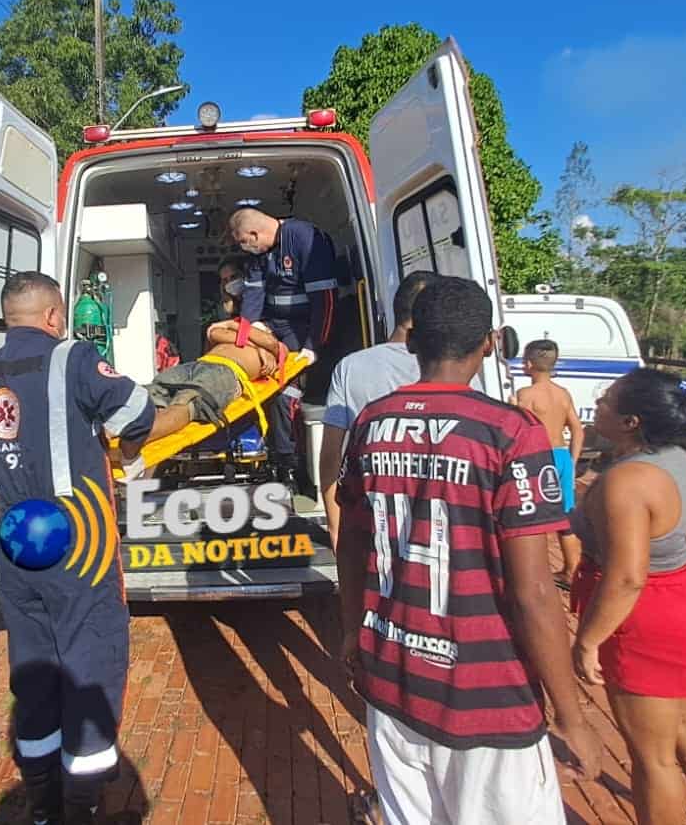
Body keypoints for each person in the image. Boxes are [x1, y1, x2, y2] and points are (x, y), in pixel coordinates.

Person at [335, 276, 601, 824]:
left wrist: (349, 631)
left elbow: (351, 541)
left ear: (411, 341)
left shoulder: (372, 421)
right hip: (486, 695)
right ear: (490, 342)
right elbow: (531, 593)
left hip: (392, 677)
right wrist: (572, 715)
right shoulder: (510, 432)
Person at [0, 272, 163, 825]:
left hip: (14, 545)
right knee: (91, 666)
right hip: (78, 546)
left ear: (10, 318)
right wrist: (126, 454)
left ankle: (41, 807)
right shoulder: (73, 358)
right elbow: (136, 413)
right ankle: (83, 807)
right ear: (54, 316)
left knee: (33, 671)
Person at [570, 369, 686, 825]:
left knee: (652, 757)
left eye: (607, 400)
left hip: (647, 623)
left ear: (631, 421)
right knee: (682, 720)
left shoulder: (628, 482)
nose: (598, 403)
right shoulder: (680, 461)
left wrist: (587, 641)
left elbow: (627, 577)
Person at [318, 271, 438, 550]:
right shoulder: (457, 370)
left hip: (372, 519)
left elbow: (330, 455)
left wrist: (335, 526)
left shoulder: (350, 367)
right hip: (438, 521)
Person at [225, 207, 340, 482]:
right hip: (275, 327)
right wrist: (248, 331)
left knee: (285, 396)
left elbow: (325, 300)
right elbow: (253, 295)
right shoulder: (259, 255)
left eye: (244, 242)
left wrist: (314, 345)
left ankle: (289, 462)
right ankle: (271, 452)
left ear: (254, 234)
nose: (246, 249)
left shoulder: (303, 238)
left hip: (303, 330)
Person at [512, 339, 586, 583]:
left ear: (529, 364)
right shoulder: (563, 394)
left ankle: (536, 573)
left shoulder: (526, 395)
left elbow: (516, 429)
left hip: (539, 459)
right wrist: (573, 462)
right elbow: (578, 430)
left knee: (533, 516)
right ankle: (571, 569)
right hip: (562, 457)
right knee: (565, 518)